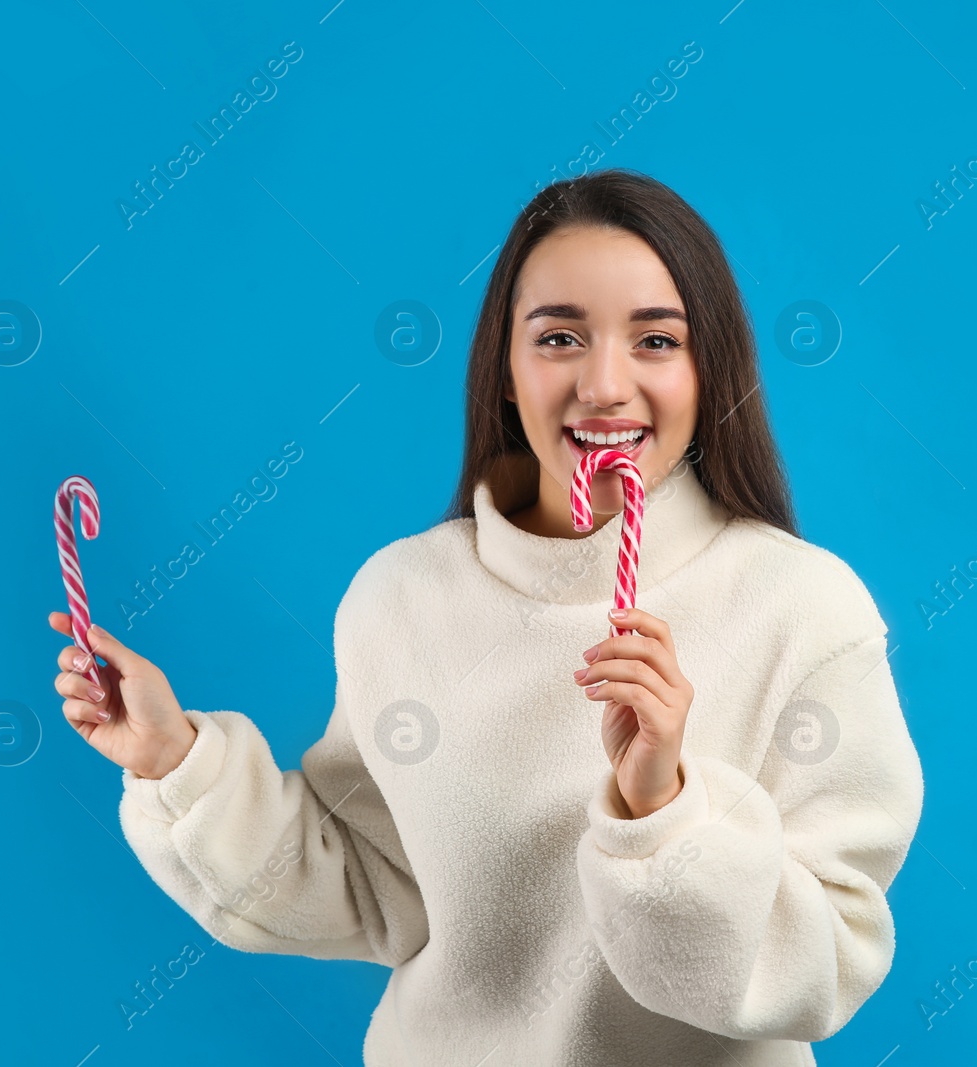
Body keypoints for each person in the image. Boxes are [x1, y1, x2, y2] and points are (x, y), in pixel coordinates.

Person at [48, 168, 924, 1065]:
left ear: (712, 370)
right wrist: (173, 762)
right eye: (559, 338)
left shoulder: (803, 608)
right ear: (504, 368)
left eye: (657, 340)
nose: (605, 384)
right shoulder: (401, 600)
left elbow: (831, 957)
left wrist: (663, 805)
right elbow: (374, 885)